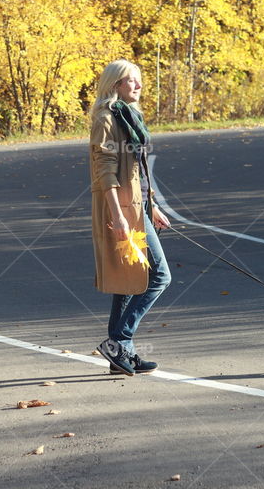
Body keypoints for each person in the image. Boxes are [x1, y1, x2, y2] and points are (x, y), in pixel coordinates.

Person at [88, 58, 171, 376]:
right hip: (121, 211)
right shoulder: (106, 118)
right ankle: (119, 342)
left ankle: (122, 354)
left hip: (137, 207)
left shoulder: (129, 115)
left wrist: (152, 207)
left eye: (139, 79)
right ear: (114, 85)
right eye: (130, 80)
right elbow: (105, 170)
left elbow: (139, 172)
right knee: (159, 276)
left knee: (127, 283)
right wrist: (119, 217)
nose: (138, 85)